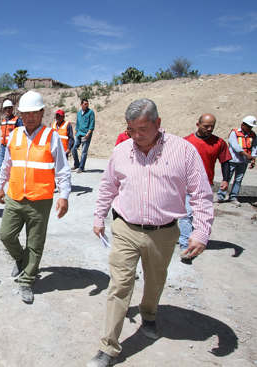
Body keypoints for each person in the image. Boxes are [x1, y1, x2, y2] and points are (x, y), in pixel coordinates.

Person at [88, 99, 213, 367]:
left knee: (155, 281)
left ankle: (150, 314)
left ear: (157, 122)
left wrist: (201, 231)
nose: (136, 135)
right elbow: (108, 187)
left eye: (142, 129)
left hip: (164, 233)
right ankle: (108, 347)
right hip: (125, 229)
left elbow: (201, 194)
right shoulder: (121, 151)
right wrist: (99, 218)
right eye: (131, 129)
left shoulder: (184, 151)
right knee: (120, 284)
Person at [0, 91, 71, 304]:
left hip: (41, 200)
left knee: (35, 243)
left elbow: (62, 170)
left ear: (42, 113)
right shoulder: (15, 134)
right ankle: (21, 259)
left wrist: (63, 195)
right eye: (26, 113)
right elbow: (7, 164)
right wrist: (0, 185)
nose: (30, 117)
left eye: (34, 113)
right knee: (6, 235)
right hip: (15, 196)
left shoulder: (52, 136)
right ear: (21, 114)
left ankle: (27, 280)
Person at [179, 113, 231, 264]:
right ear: (198, 125)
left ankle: (194, 239)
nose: (209, 129)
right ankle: (185, 248)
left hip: (206, 185)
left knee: (201, 216)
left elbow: (225, 161)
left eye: (212, 126)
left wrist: (226, 179)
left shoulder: (219, 143)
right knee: (187, 215)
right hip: (187, 183)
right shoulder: (187, 141)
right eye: (206, 126)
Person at [216, 116, 257, 206]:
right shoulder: (234, 133)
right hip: (233, 159)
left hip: (244, 161)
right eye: (249, 126)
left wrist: (253, 158)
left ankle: (233, 197)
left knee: (238, 179)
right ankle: (221, 196)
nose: (250, 128)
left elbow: (254, 147)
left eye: (251, 127)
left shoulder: (253, 135)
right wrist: (247, 155)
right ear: (243, 124)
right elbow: (235, 146)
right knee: (227, 178)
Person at [0, 100, 23, 197]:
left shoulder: (17, 121)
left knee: (16, 170)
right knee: (0, 169)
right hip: (3, 148)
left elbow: (22, 135)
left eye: (9, 108)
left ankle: (17, 190)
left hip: (14, 149)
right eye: (5, 108)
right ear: (3, 110)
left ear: (12, 108)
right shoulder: (3, 121)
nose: (7, 110)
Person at [72, 99, 95, 173]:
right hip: (79, 133)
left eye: (87, 104)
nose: (86, 105)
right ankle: (76, 164)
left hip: (86, 134)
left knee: (84, 151)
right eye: (85, 104)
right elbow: (77, 124)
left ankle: (81, 167)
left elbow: (92, 123)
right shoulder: (78, 113)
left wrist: (88, 133)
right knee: (73, 148)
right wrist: (75, 133)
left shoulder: (90, 112)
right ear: (81, 104)